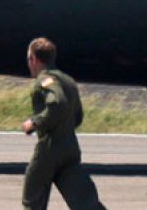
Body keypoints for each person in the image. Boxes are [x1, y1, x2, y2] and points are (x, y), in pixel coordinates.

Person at [21, 37, 104, 210]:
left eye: (29, 59)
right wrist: (63, 126)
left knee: (32, 200)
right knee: (86, 203)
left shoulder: (45, 81)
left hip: (49, 149)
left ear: (34, 59)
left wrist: (35, 123)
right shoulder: (68, 81)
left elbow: (57, 102)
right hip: (70, 148)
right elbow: (78, 116)